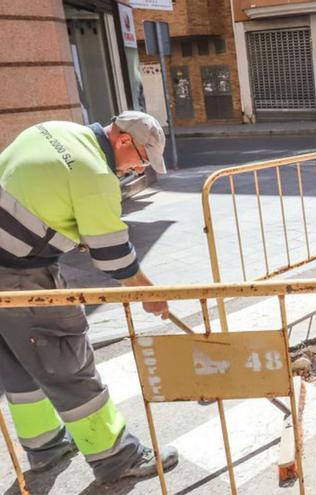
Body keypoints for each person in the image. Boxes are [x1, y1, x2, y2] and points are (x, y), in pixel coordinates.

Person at [0, 112, 179, 483]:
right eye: (142, 161)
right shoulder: (95, 173)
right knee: (64, 360)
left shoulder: (53, 129)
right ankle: (116, 457)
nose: (136, 171)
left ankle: (46, 447)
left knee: (18, 363)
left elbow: (34, 192)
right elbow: (113, 254)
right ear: (124, 141)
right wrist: (149, 293)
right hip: (20, 276)